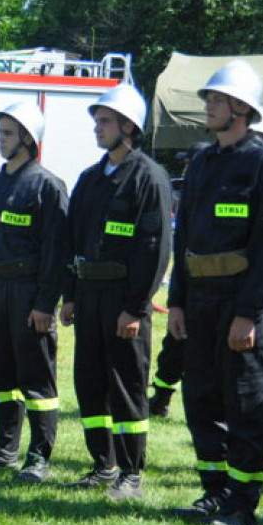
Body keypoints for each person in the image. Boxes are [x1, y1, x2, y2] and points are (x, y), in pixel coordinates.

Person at [167, 60, 263, 525]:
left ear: (242, 108)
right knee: (202, 399)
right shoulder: (203, 161)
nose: (208, 105)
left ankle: (241, 504)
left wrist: (247, 313)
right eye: (208, 98)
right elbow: (184, 235)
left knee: (244, 404)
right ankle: (213, 493)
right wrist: (178, 303)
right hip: (200, 302)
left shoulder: (262, 163)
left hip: (239, 305)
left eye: (217, 99)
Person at [59, 85, 172, 500]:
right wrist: (69, 295)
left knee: (125, 384)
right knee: (88, 381)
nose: (97, 128)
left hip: (124, 299)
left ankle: (131, 472)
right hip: (88, 295)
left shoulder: (148, 177)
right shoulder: (90, 179)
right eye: (97, 121)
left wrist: (136, 308)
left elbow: (154, 249)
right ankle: (102, 464)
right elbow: (72, 240)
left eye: (104, 121)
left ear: (129, 126)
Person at [0, 101, 68, 481]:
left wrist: (44, 304)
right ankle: (4, 451)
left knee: (36, 378)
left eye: (7, 133)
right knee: (2, 378)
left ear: (27, 137)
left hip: (28, 293)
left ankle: (39, 456)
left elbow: (56, 253)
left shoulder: (48, 186)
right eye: (0, 132)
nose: (0, 140)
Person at [148, 141, 209, 417]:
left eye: (188, 163)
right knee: (174, 346)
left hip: (211, 290)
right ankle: (160, 399)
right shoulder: (187, 194)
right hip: (187, 285)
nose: (184, 168)